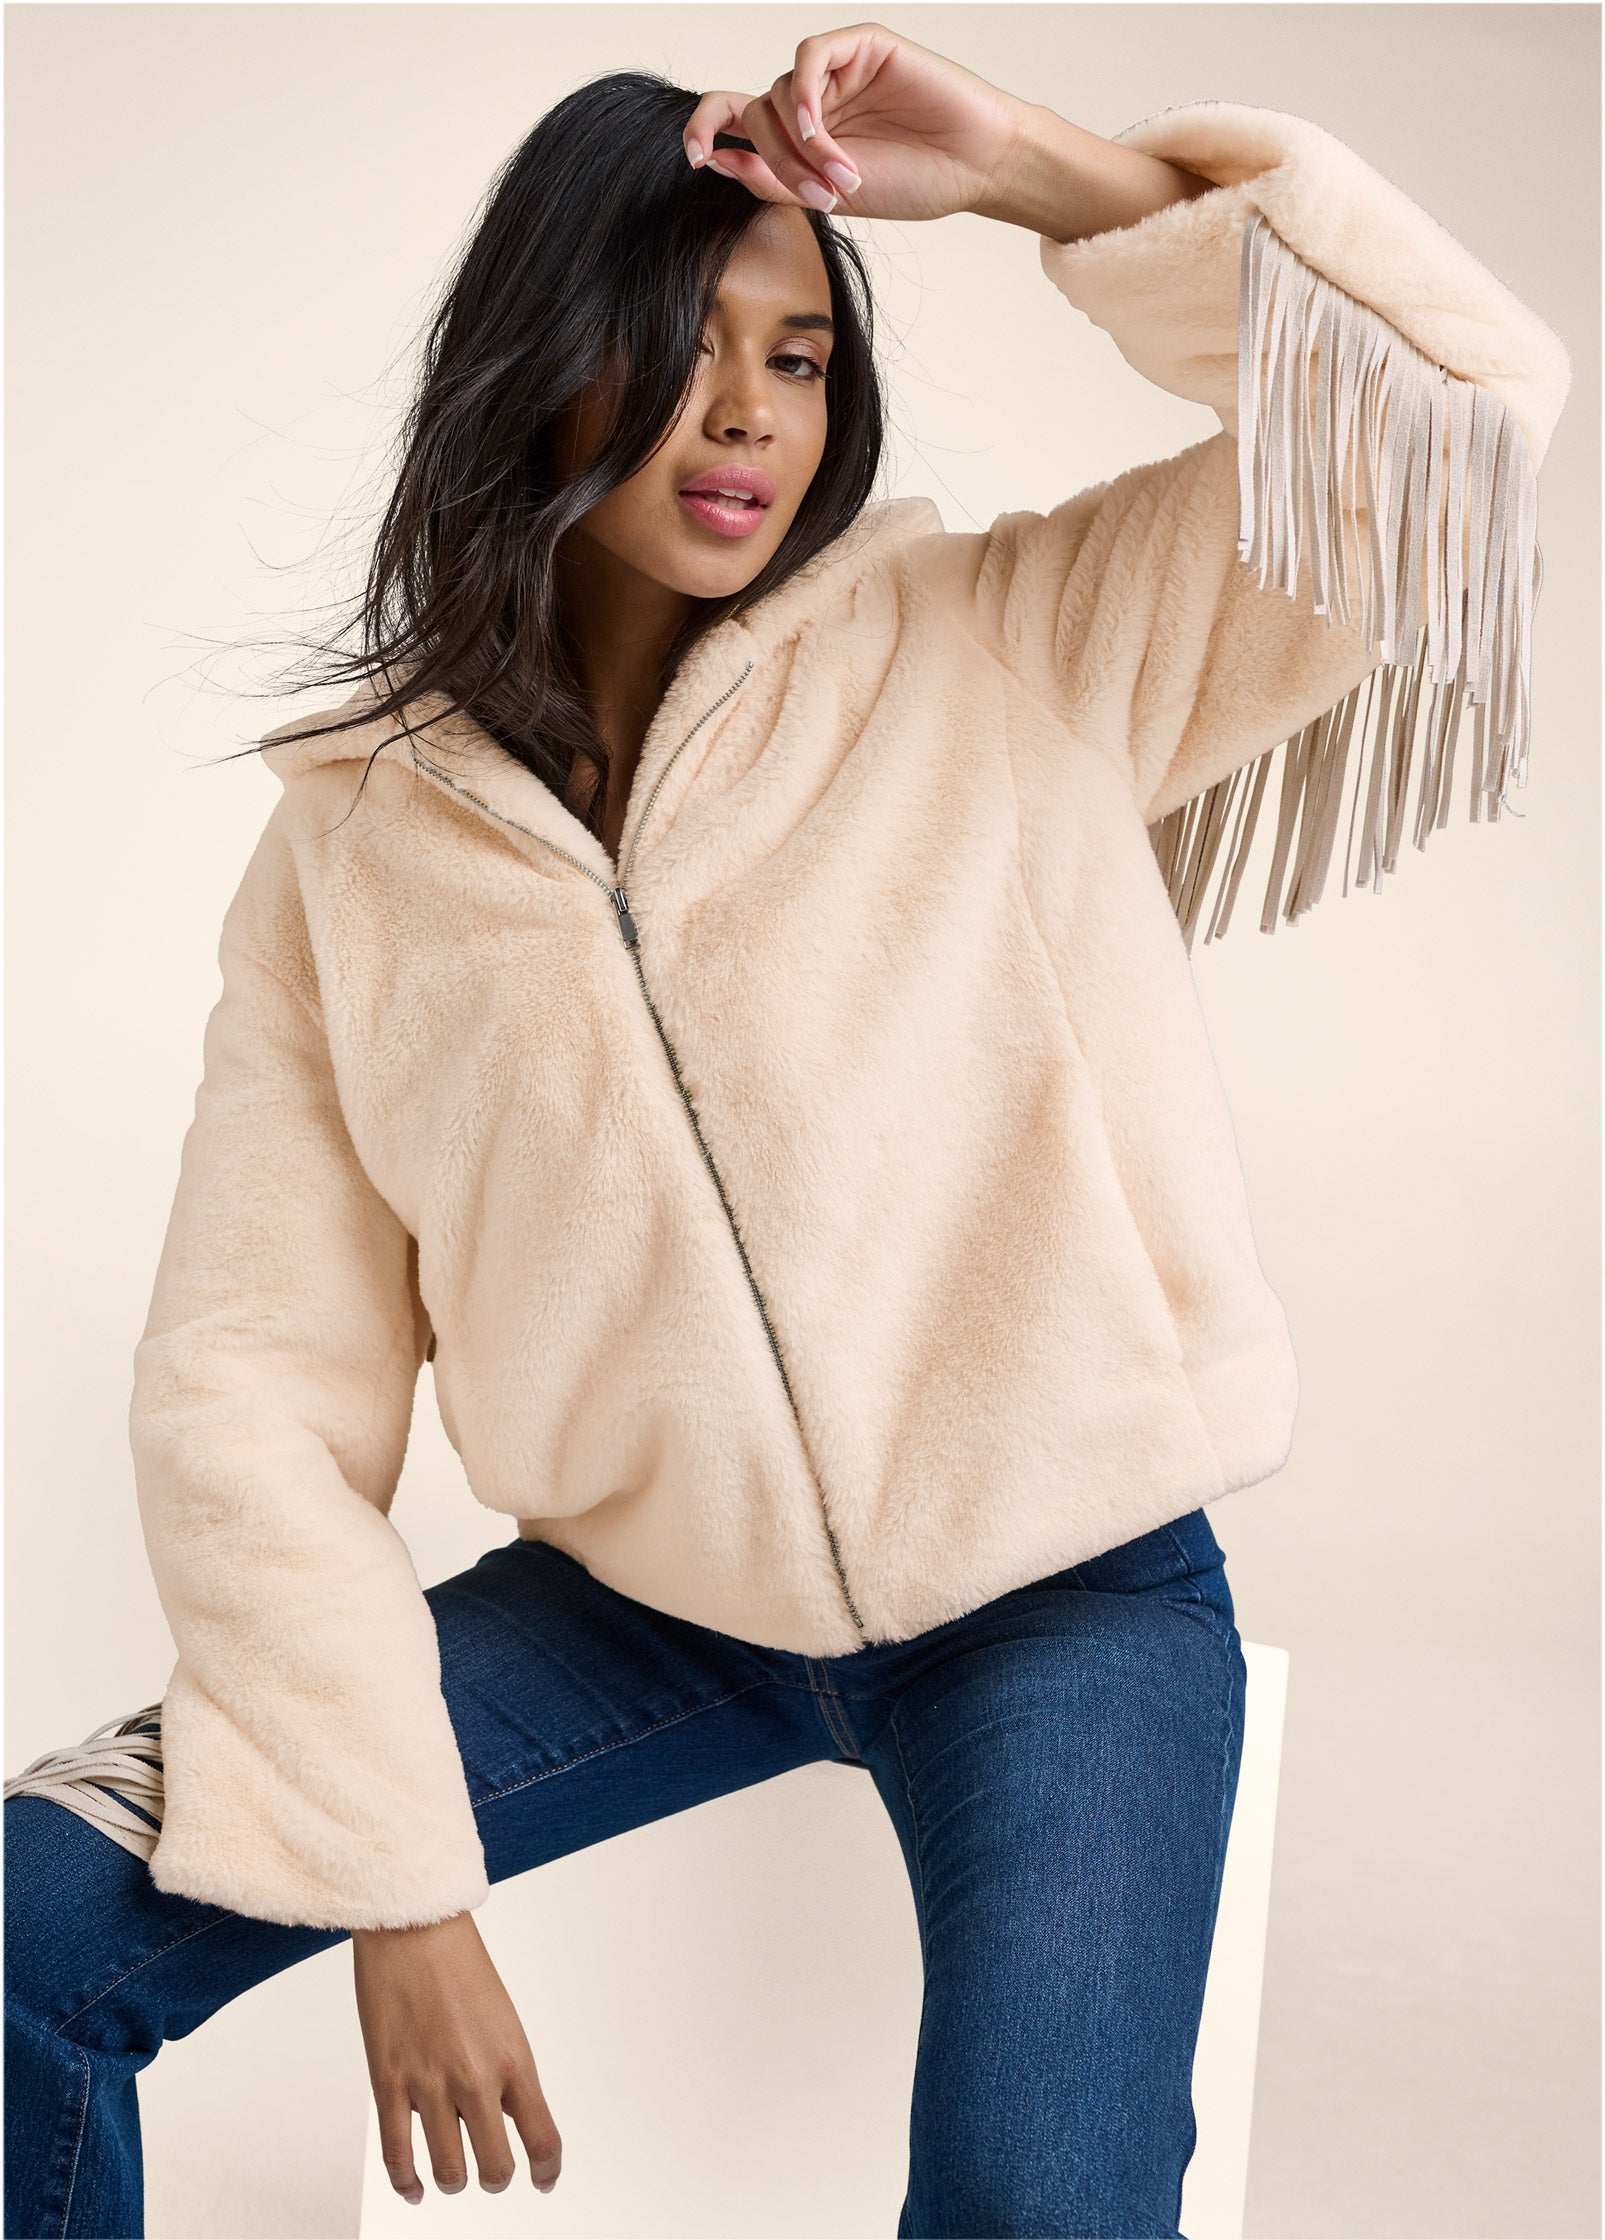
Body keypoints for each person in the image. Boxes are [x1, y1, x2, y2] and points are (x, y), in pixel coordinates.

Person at [4, 24, 1569, 2240]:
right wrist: (393, 1877)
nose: (749, 409)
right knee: (24, 1939)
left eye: (800, 353)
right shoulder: (357, 850)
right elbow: (253, 1379)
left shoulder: (1002, 645)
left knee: (1038, 2200)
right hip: (644, 1611)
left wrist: (1027, 168)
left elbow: (1462, 403)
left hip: (1063, 1601)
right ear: (542, 360)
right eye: (682, 343)